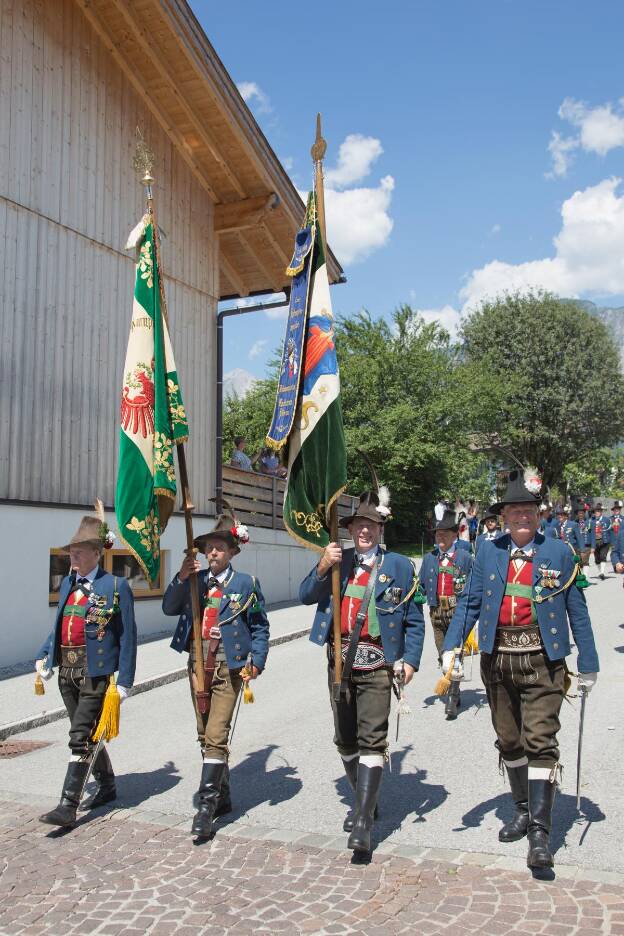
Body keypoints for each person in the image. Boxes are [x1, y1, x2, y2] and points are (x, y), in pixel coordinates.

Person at [442, 470, 599, 871]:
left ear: (538, 514)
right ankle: (523, 809)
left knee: (540, 740)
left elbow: (576, 610)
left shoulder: (561, 553)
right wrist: (451, 646)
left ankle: (541, 834)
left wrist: (589, 662)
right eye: (514, 511)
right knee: (510, 741)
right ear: (504, 516)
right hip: (497, 662)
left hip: (544, 662)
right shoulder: (488, 553)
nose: (521, 517)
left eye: (527, 510)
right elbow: (470, 604)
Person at [299, 489, 425, 855]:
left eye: (371, 525)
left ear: (380, 529)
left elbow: (414, 618)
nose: (364, 531)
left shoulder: (400, 566)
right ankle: (365, 799)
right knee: (345, 738)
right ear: (351, 529)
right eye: (358, 525)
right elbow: (305, 594)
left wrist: (411, 659)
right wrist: (323, 565)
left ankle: (364, 820)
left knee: (373, 738)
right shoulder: (339, 559)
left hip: (378, 664)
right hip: (339, 663)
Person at [162, 510, 269, 838]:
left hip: (229, 666)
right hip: (196, 665)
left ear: (232, 551)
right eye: (209, 548)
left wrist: (258, 661)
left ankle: (206, 807)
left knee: (217, 734)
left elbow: (260, 626)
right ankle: (222, 797)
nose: (212, 553)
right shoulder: (194, 581)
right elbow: (168, 607)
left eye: (219, 548)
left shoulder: (245, 583)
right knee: (203, 734)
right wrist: (181, 576)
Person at [36, 505, 137, 827]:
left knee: (79, 735)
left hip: (96, 672)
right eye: (71, 553)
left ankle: (68, 805)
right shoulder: (67, 584)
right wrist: (45, 655)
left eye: (78, 553)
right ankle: (107, 786)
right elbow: (59, 624)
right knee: (91, 733)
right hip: (67, 671)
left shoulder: (116, 587)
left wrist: (125, 682)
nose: (73, 558)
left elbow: (128, 636)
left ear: (96, 553)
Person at [419, 510, 474, 666]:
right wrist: (417, 594)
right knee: (442, 650)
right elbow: (420, 584)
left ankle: (453, 682)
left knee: (455, 650)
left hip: (457, 610)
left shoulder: (465, 557)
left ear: (454, 536)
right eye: (438, 534)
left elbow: (474, 585)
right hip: (435, 610)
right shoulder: (429, 558)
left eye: (444, 534)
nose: (440, 537)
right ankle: (448, 674)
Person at [589, 503, 612, 580]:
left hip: (605, 541)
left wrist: (612, 542)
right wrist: (591, 545)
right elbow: (590, 533)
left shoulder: (607, 520)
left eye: (598, 511)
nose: (597, 513)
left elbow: (610, 531)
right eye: (596, 511)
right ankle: (600, 572)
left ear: (601, 512)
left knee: (603, 556)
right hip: (595, 542)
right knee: (597, 559)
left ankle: (602, 572)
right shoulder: (591, 521)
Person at [610, 500, 623, 571]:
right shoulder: (610, 519)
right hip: (613, 539)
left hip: (621, 540)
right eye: (615, 509)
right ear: (613, 510)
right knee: (614, 552)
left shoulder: (623, 519)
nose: (616, 510)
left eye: (618, 509)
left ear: (620, 510)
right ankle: (616, 565)